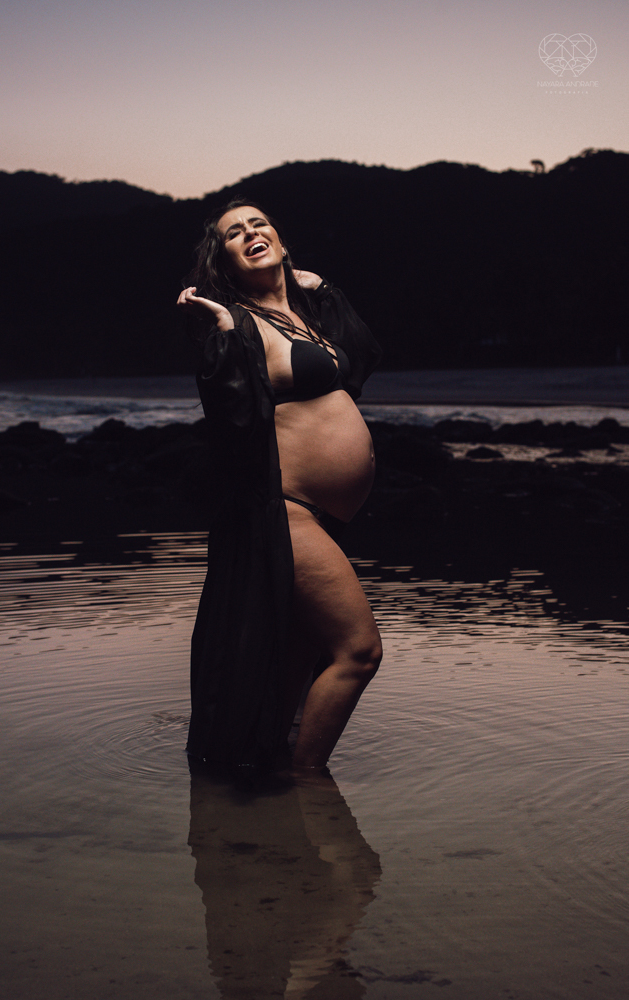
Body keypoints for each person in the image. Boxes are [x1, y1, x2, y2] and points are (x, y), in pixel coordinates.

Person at [177, 200, 382, 773]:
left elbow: (361, 359)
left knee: (295, 661)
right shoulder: (239, 324)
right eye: (234, 234)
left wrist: (323, 288)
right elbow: (230, 419)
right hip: (285, 513)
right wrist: (221, 337)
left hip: (325, 518)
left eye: (259, 224)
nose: (250, 234)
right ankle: (310, 789)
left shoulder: (304, 313)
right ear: (225, 261)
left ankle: (267, 789)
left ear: (281, 241)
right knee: (358, 651)